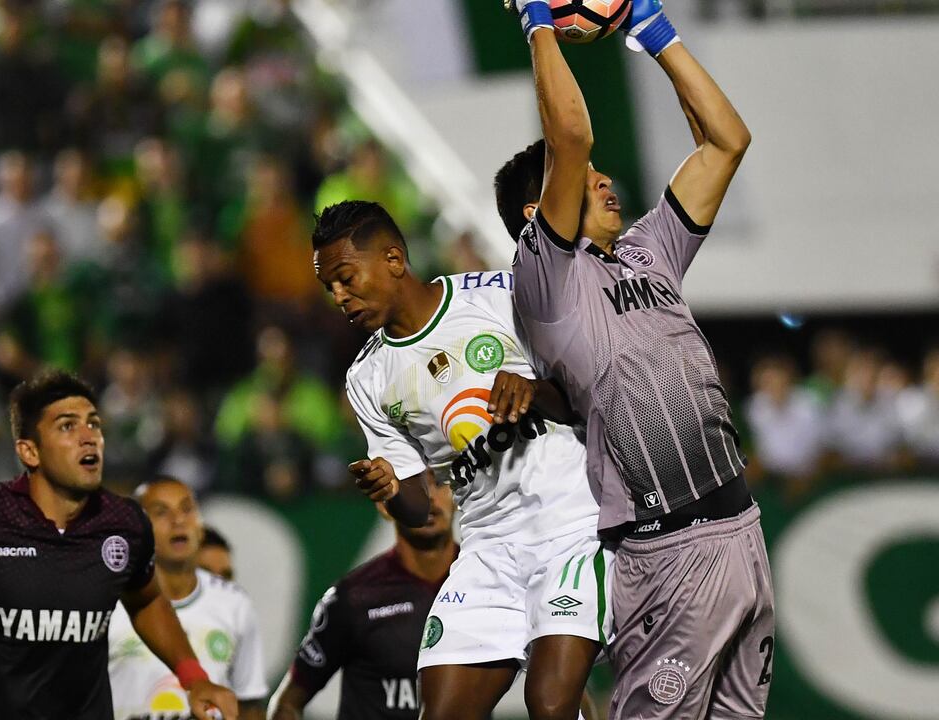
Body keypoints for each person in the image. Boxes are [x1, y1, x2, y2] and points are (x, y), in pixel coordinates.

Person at [498, 1, 773, 717]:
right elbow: (569, 135)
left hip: (741, 529)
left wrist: (653, 29)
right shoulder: (545, 282)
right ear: (536, 215)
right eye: (586, 179)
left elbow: (727, 141)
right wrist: (539, 20)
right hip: (668, 552)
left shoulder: (650, 250)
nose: (603, 179)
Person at [311, 201, 609, 719]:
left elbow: (594, 393)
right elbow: (418, 508)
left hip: (572, 527)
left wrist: (535, 390)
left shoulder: (498, 295)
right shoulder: (367, 378)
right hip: (487, 548)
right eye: (329, 287)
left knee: (550, 704)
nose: (339, 296)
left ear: (393, 259)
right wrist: (391, 490)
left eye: (345, 278)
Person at [0, 370, 237, 720]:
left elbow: (147, 599)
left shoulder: (126, 524)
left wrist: (194, 678)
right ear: (29, 451)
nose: (89, 436)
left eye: (94, 424)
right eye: (67, 426)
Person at [268, 474, 458, 720]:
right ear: (385, 506)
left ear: (459, 495)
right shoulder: (352, 599)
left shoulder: (489, 585)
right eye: (412, 485)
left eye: (440, 483)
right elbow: (288, 702)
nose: (429, 497)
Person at [108, 477, 267, 720]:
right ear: (136, 529)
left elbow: (249, 705)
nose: (178, 520)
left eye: (187, 509)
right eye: (161, 512)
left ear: (201, 528)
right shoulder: (108, 601)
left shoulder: (234, 604)